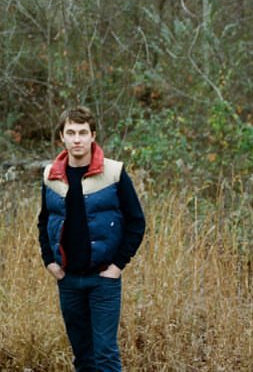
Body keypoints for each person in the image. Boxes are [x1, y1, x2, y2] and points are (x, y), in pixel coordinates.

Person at [38, 105, 146, 372]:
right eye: (71, 132)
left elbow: (136, 222)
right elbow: (44, 220)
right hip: (69, 279)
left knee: (106, 354)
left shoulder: (114, 173)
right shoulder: (51, 175)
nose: (77, 139)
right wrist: (49, 262)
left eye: (83, 132)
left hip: (103, 279)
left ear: (93, 135)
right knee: (82, 356)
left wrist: (117, 265)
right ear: (61, 136)